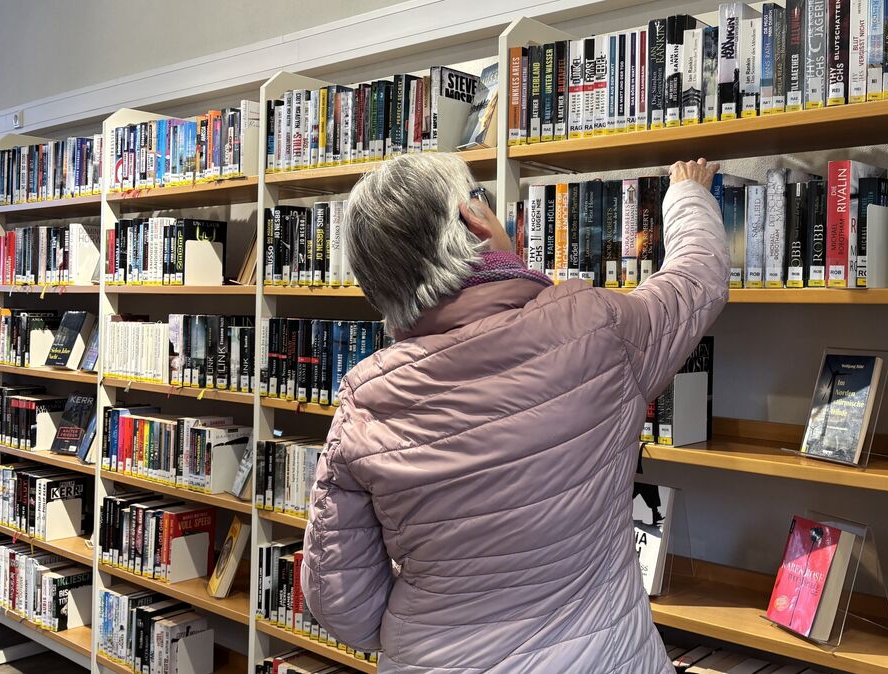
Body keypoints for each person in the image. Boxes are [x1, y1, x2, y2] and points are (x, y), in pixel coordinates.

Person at [300, 152, 728, 673]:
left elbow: (343, 607)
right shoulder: (596, 332)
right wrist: (686, 193)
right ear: (473, 219)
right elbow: (697, 280)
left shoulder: (361, 406)